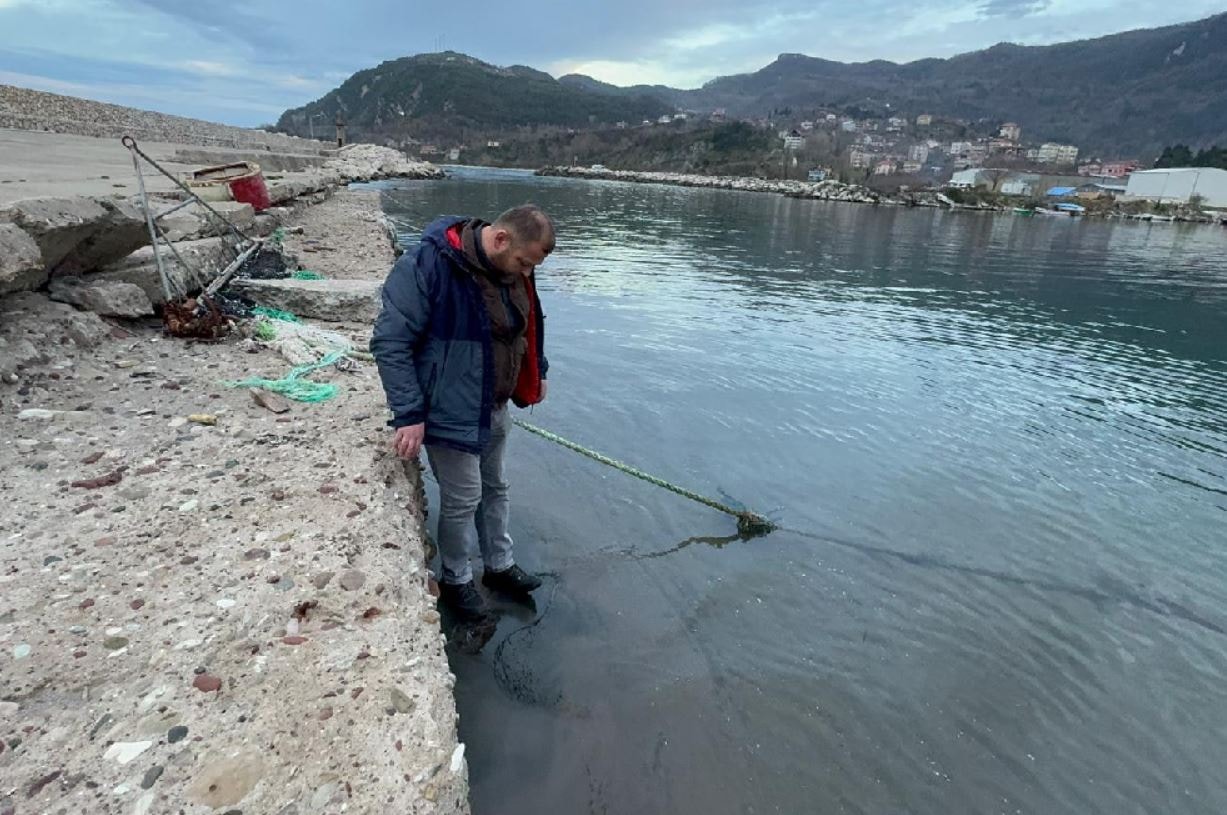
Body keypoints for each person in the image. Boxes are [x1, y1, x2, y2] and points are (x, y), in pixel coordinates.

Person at [370, 204, 554, 622]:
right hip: (446, 407)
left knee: (497, 486)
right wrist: (409, 413)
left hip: (494, 402)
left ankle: (500, 566)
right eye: (524, 263)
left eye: (532, 267)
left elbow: (530, 325)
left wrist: (537, 371)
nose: (527, 274)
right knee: (462, 498)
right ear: (501, 239)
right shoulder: (426, 264)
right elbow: (390, 342)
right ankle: (455, 580)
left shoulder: (516, 269)